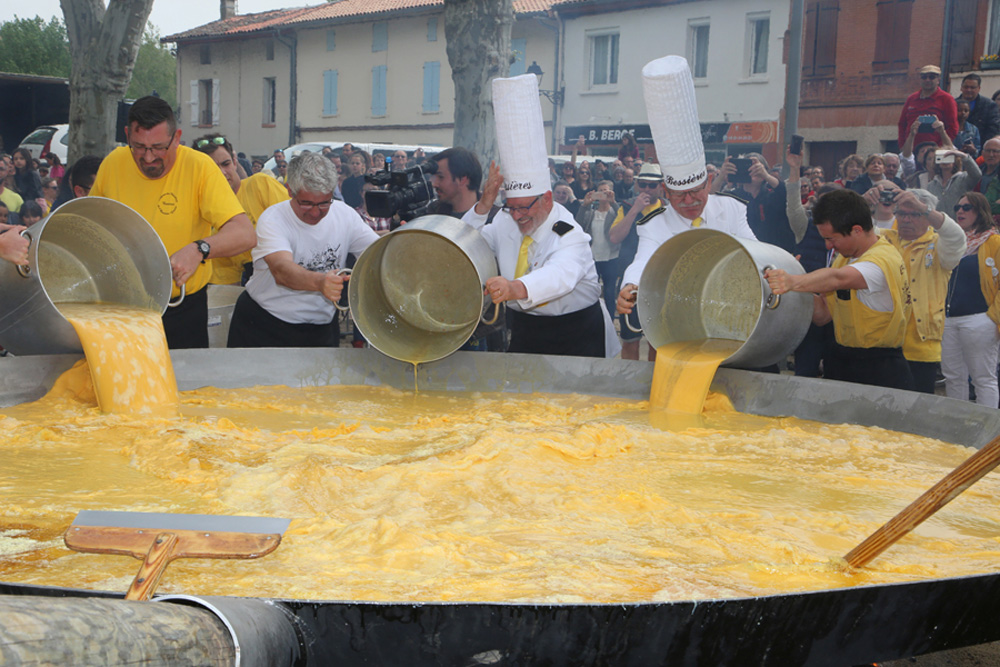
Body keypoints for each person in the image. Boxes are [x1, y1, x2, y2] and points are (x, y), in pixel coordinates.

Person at [463, 74, 619, 359]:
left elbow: (560, 275)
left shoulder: (566, 230)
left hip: (577, 332)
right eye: (511, 206)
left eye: (526, 207)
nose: (518, 216)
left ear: (547, 199)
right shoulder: (504, 219)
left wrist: (515, 287)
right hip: (526, 328)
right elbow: (465, 244)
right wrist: (484, 206)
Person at [89, 95, 255, 349]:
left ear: (176, 138)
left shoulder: (199, 167)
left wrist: (199, 249)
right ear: (126, 135)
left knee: (184, 385)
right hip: (123, 308)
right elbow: (90, 226)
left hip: (182, 308)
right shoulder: (113, 163)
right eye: (139, 147)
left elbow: (244, 233)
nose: (147, 158)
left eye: (158, 147)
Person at [765, 189, 914, 391]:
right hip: (842, 360)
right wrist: (796, 280)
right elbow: (823, 315)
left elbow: (837, 279)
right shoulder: (846, 256)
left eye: (832, 239)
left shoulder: (880, 261)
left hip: (879, 366)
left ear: (857, 230)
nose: (828, 247)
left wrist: (793, 280)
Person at [227, 152, 378, 348]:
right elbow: (282, 270)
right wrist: (320, 282)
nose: (315, 212)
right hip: (265, 324)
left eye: (324, 203)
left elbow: (377, 253)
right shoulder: (273, 219)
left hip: (321, 326)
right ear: (290, 190)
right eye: (306, 203)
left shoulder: (345, 215)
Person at [876, 189, 966, 393]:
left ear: (928, 216)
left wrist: (924, 208)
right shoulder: (883, 239)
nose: (906, 220)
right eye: (901, 213)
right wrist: (865, 201)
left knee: (916, 410)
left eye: (914, 214)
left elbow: (957, 237)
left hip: (920, 346)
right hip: (883, 342)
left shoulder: (940, 245)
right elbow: (853, 230)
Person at [194, 133, 290, 285]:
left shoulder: (260, 184)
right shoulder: (204, 214)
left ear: (234, 161)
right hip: (251, 283)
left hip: (287, 270)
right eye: (212, 168)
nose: (222, 173)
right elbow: (226, 286)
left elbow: (297, 226)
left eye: (225, 164)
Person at [942, 192, 1000, 406]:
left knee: (983, 379)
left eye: (967, 207)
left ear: (980, 211)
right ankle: (957, 426)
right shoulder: (949, 242)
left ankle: (988, 432)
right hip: (948, 319)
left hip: (979, 319)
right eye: (958, 207)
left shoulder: (995, 242)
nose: (960, 211)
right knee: (953, 376)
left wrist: (992, 317)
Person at [609, 163, 668, 361]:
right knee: (630, 338)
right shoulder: (626, 207)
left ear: (661, 186)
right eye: (643, 185)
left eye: (652, 186)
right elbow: (614, 237)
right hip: (631, 281)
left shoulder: (669, 210)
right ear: (636, 185)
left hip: (660, 281)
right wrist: (634, 210)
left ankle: (652, 382)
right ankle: (630, 383)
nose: (647, 190)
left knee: (657, 341)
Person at [718, 152, 796, 253]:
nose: (754, 171)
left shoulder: (773, 193)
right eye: (749, 168)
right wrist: (721, 176)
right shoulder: (734, 196)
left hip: (776, 250)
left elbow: (788, 193)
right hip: (746, 251)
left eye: (757, 168)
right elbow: (710, 198)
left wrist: (766, 176)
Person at [575, 180, 620, 315]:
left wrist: (613, 202)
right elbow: (578, 225)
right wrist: (584, 206)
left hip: (611, 257)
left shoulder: (614, 211)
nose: (603, 194)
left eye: (606, 191)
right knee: (592, 292)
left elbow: (623, 219)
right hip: (593, 257)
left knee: (609, 293)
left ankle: (610, 321)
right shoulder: (591, 213)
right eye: (600, 191)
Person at [897, 65, 959, 149]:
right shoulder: (911, 98)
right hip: (911, 150)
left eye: (932, 77)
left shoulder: (947, 99)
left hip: (934, 151)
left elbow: (953, 128)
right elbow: (902, 124)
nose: (927, 80)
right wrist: (903, 145)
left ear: (938, 79)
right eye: (924, 77)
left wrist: (939, 147)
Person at [923, 148, 980, 215]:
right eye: (942, 157)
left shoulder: (963, 179)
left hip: (959, 222)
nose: (945, 161)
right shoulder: (931, 185)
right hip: (938, 223)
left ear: (955, 160)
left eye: (949, 158)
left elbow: (977, 175)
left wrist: (964, 156)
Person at [429, 146, 481, 217]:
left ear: (463, 179)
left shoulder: (494, 220)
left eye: (441, 177)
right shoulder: (431, 214)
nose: (434, 184)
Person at [956, 73, 1000, 144]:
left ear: (979, 88)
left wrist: (978, 147)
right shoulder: (953, 104)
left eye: (972, 87)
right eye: (966, 87)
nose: (969, 90)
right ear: (961, 87)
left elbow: (993, 130)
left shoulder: (989, 105)